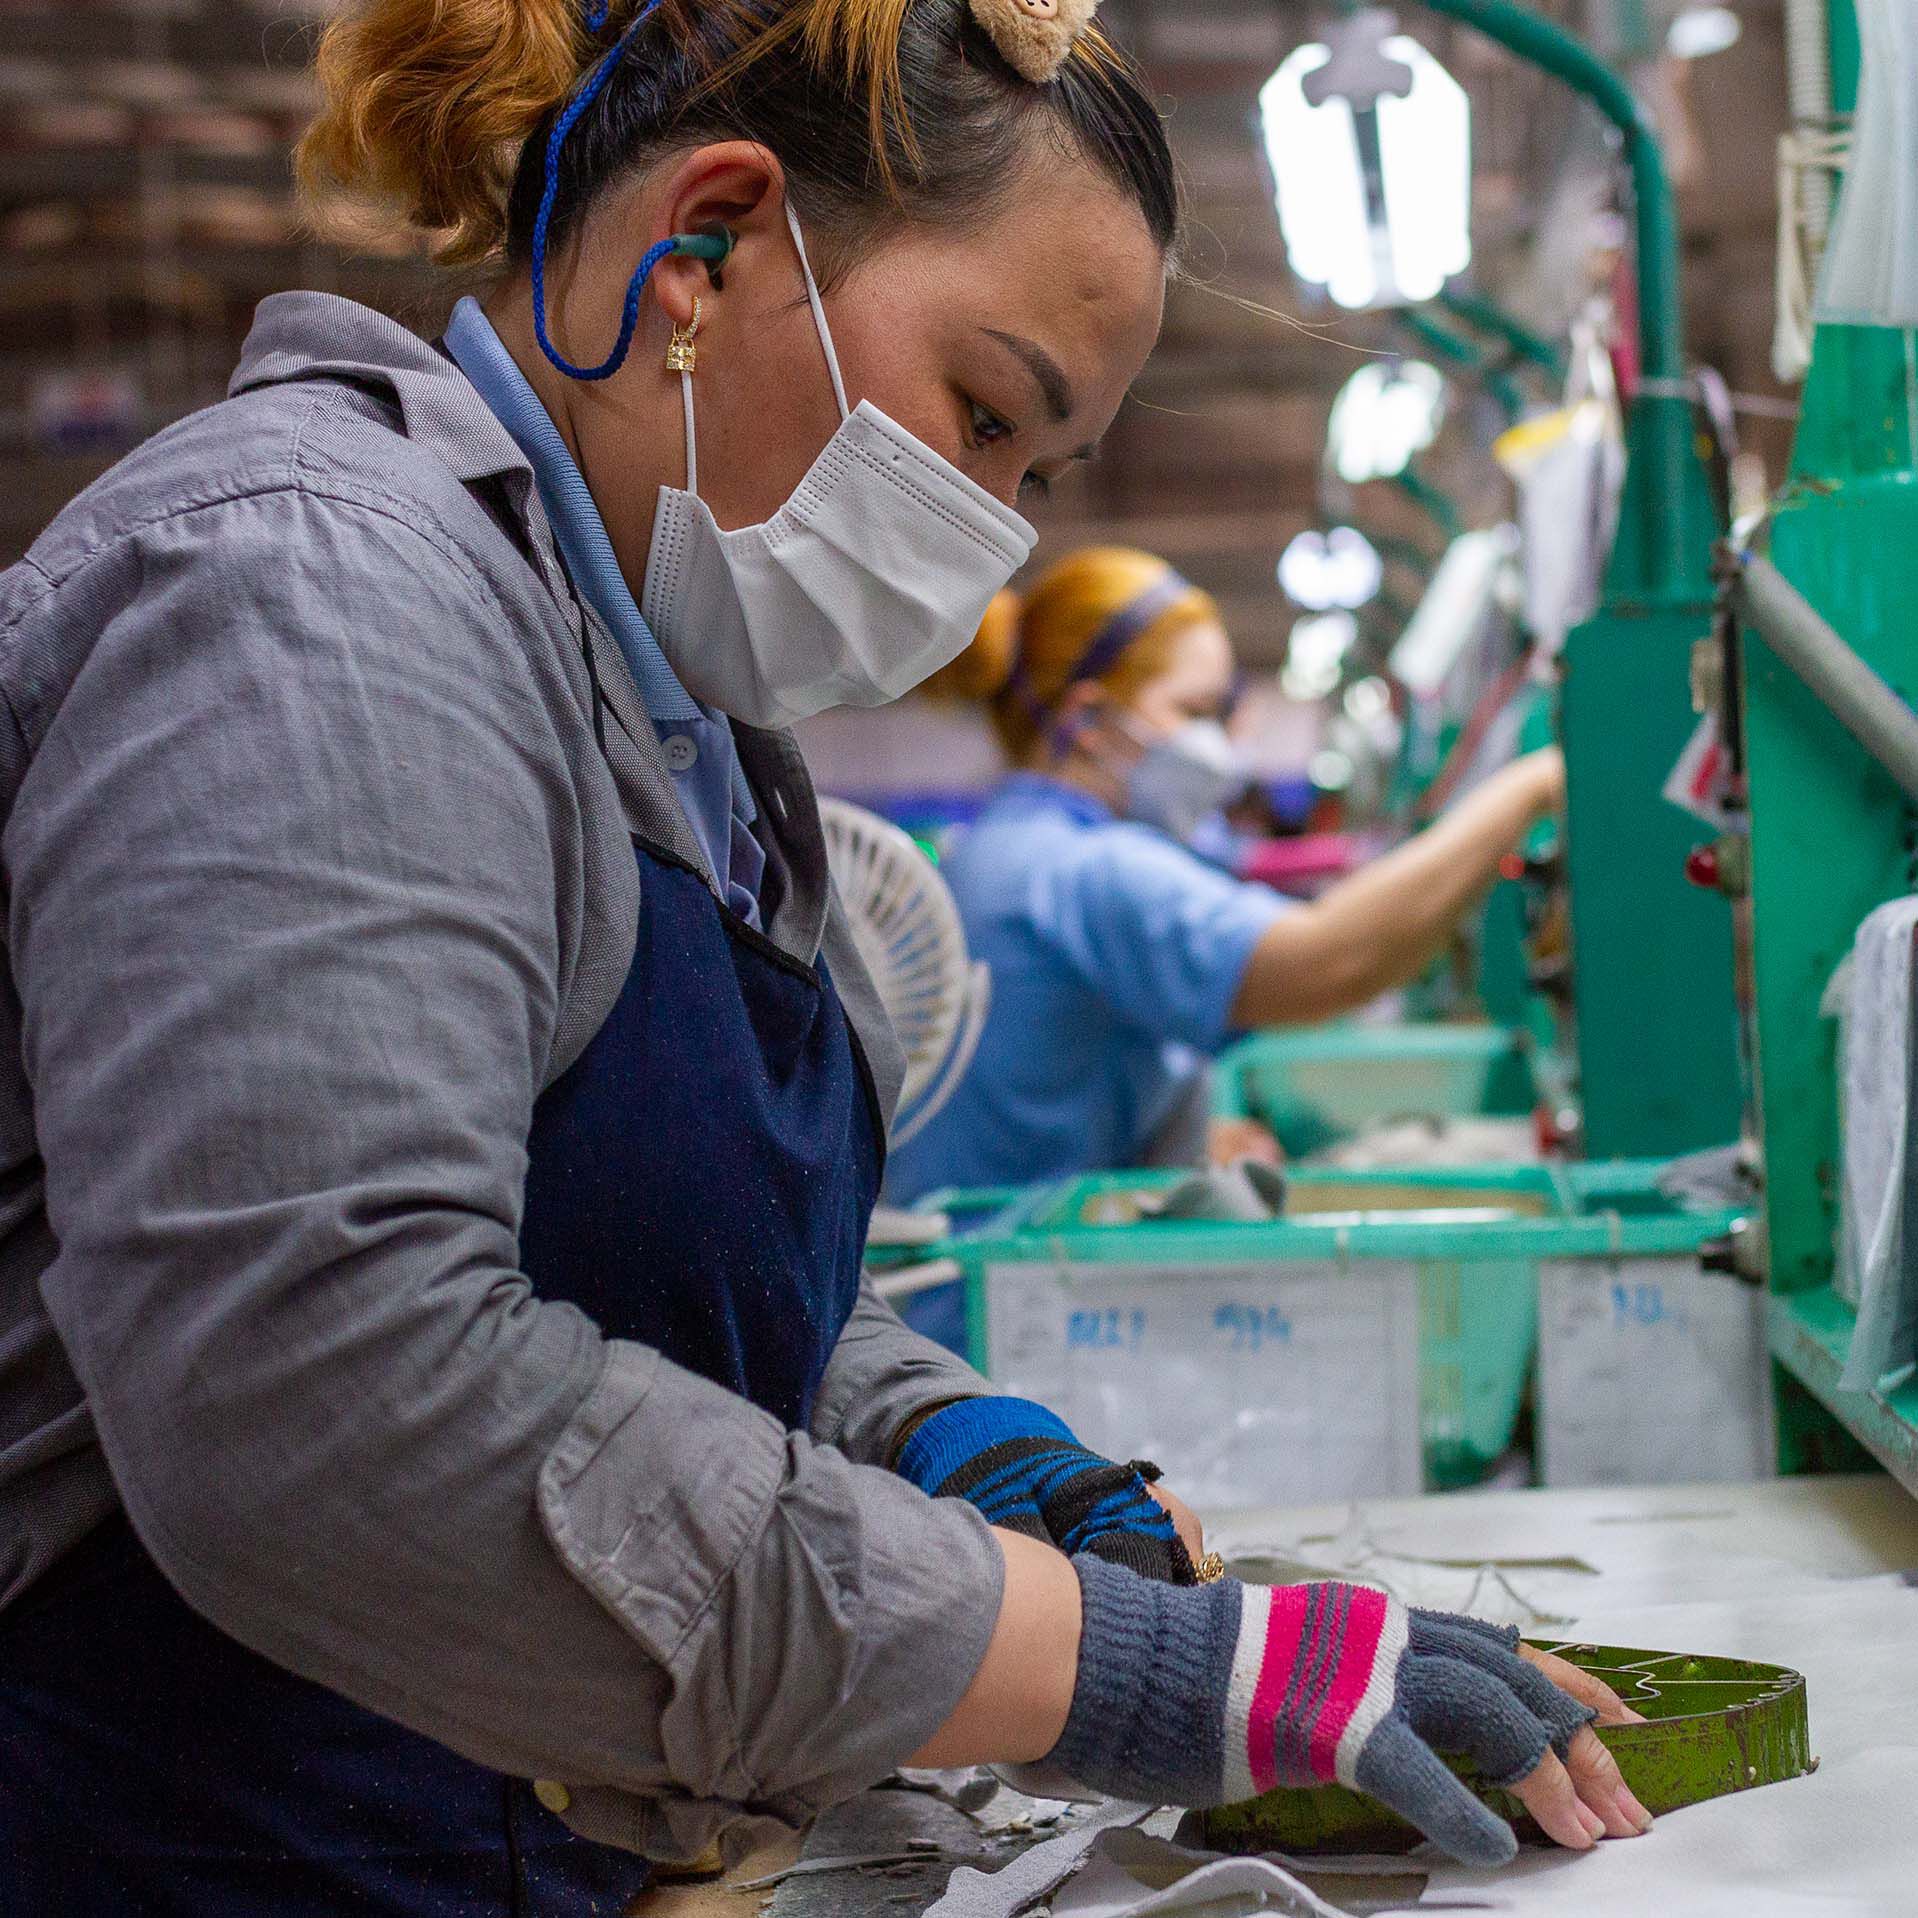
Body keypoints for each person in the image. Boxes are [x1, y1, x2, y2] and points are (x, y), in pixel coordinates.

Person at [0, 3, 1647, 1910]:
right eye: (983, 412)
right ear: (700, 248)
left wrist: (962, 1450)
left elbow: (657, 1286)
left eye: (1037, 474)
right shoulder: (310, 597)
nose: (994, 534)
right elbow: (325, 1392)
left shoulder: (693, 741)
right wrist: (1113, 1664)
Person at [888, 547, 1567, 1201]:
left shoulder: (1000, 851)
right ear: (1089, 719)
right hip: (995, 1303)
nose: (1219, 746)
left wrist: (1186, 1134)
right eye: (1192, 711)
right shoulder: (1085, 871)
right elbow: (1329, 962)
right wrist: (1527, 788)